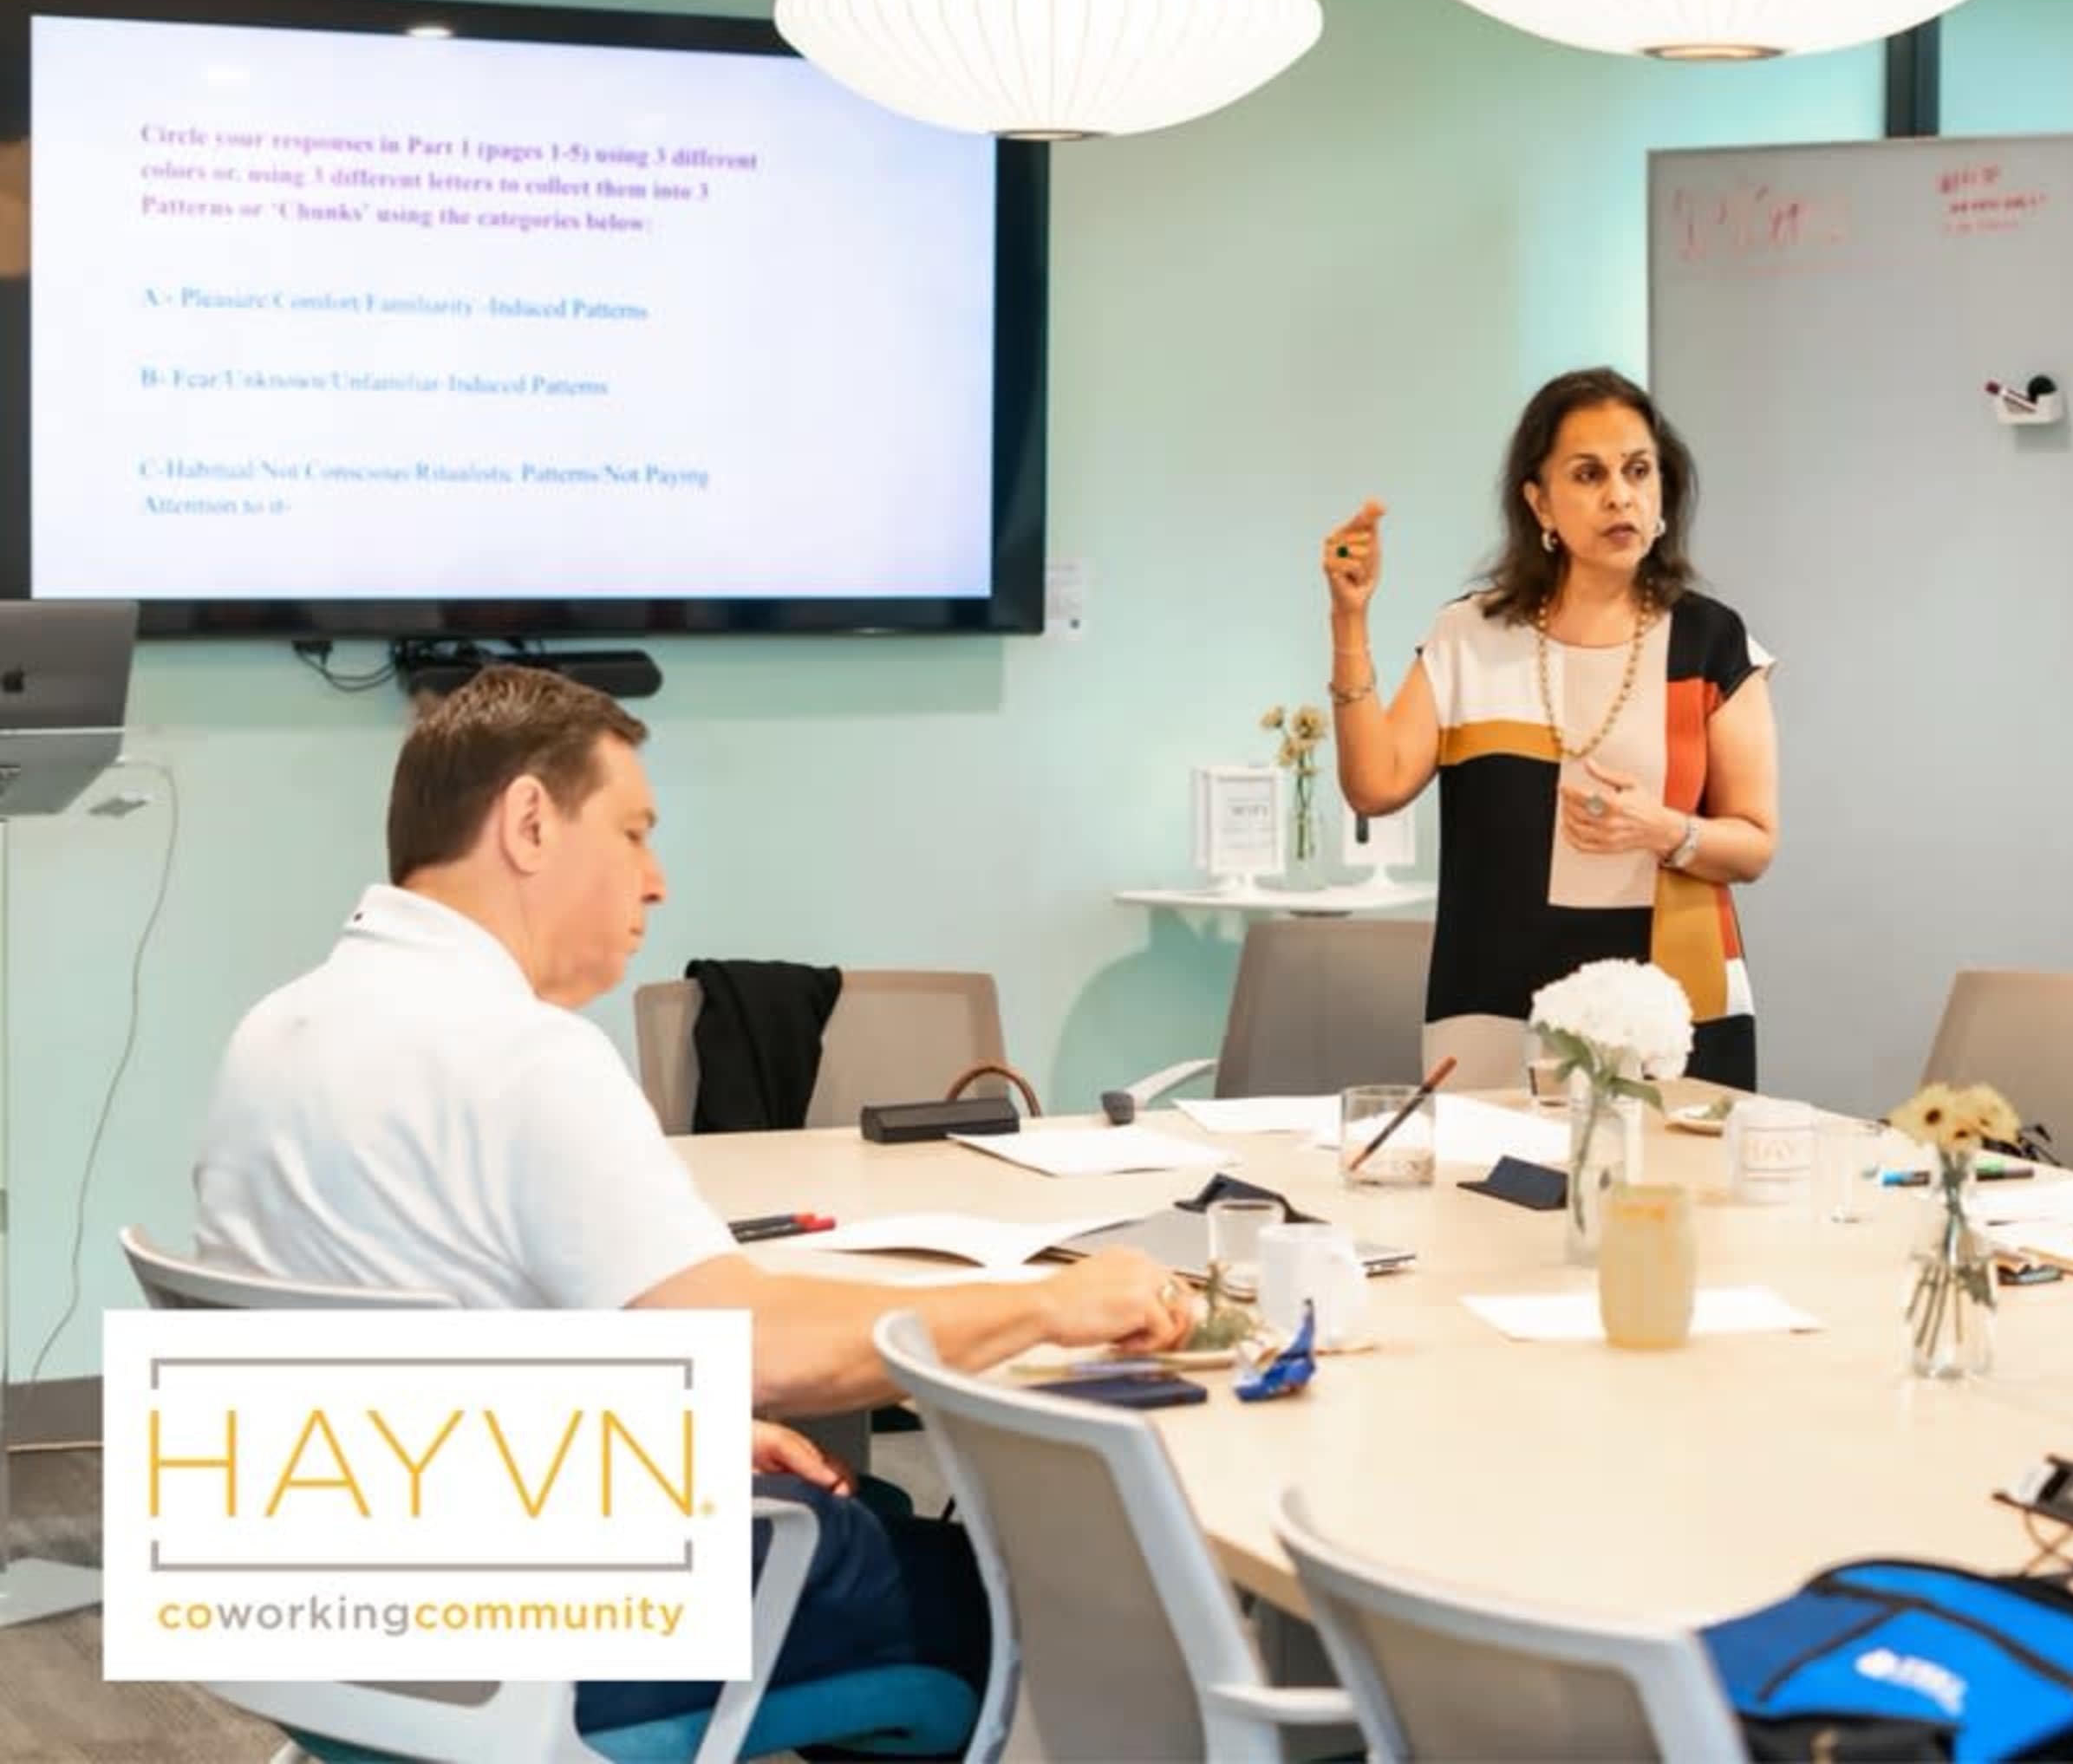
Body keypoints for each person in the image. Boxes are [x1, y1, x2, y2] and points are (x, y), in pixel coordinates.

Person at [193, 667, 1194, 1736]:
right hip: (513, 1638)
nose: (656, 879)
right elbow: (759, 1347)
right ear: (530, 823)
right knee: (1042, 1598)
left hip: (315, 1614)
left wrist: (647, 1430)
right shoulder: (525, 1056)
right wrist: (1052, 1305)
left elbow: (407, 1348)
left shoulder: (278, 1030)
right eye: (633, 833)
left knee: (870, 1514)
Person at [1323, 365, 1779, 1088]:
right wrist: (1349, 620)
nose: (1619, 495)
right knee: (1486, 1196)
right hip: (1492, 999)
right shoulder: (1468, 634)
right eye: (1588, 475)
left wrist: (1661, 830)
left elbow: (1754, 844)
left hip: (1673, 1004)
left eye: (1638, 471)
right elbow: (1374, 789)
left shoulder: (1711, 643)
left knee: (1669, 1199)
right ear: (1539, 501)